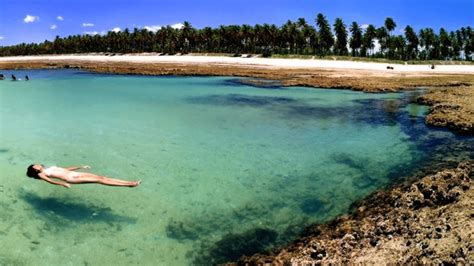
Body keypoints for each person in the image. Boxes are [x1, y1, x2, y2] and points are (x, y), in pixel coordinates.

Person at [26, 164, 141, 188]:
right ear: (34, 169)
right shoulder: (41, 174)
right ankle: (129, 185)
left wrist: (80, 166)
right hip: (71, 178)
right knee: (99, 181)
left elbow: (66, 169)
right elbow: (49, 181)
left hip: (75, 173)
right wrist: (62, 184)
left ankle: (129, 182)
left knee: (101, 177)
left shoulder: (48, 168)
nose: (37, 164)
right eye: (35, 165)